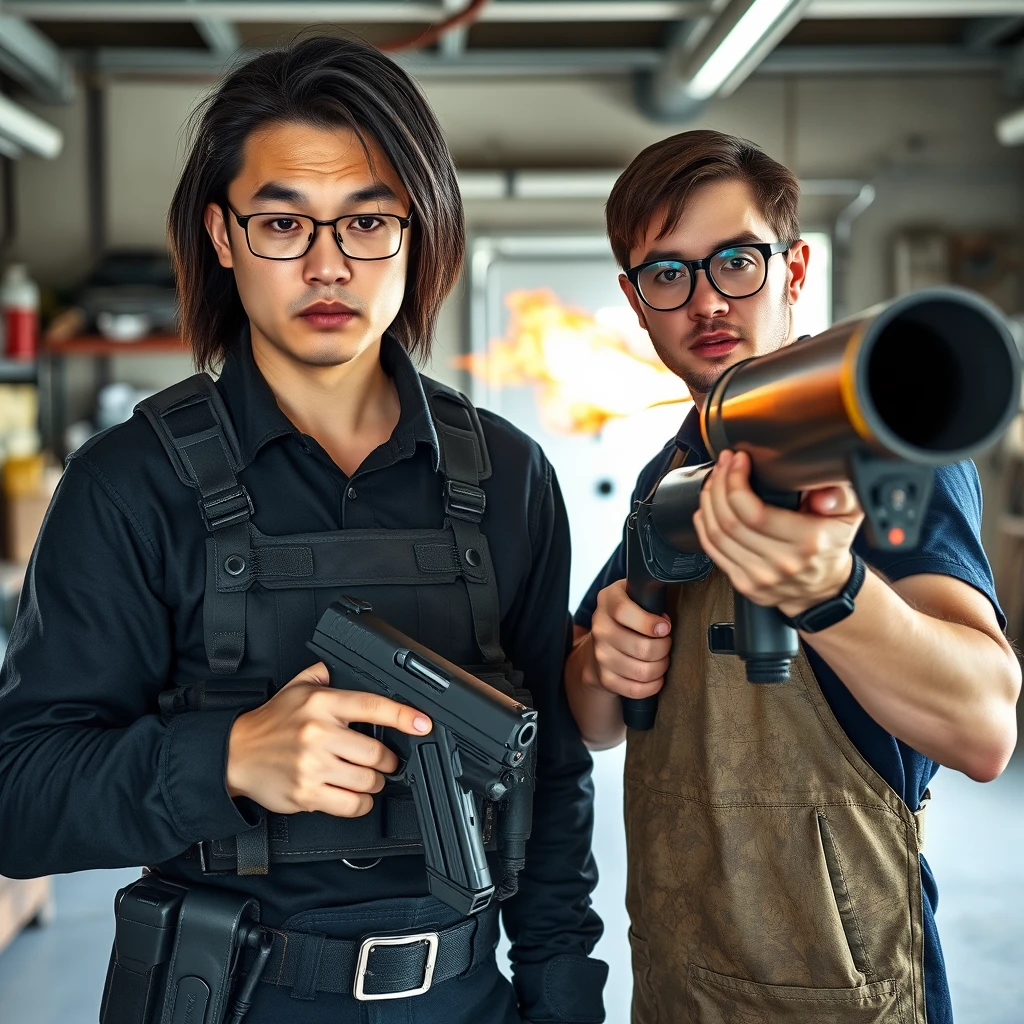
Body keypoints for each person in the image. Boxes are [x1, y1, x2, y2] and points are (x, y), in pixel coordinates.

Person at [0, 37, 606, 1024]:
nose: (328, 263)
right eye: (283, 221)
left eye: (368, 220)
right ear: (223, 235)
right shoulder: (128, 485)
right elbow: (17, 798)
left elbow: (555, 787)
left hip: (468, 1004)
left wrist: (565, 1003)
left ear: (418, 231)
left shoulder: (508, 479)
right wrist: (229, 756)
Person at [564, 129, 1020, 1024]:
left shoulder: (880, 433)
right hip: (678, 976)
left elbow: (983, 726)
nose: (707, 303)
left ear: (795, 268)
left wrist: (831, 591)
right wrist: (598, 660)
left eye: (737, 260)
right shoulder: (674, 465)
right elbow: (597, 721)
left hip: (839, 990)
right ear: (636, 299)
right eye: (669, 274)